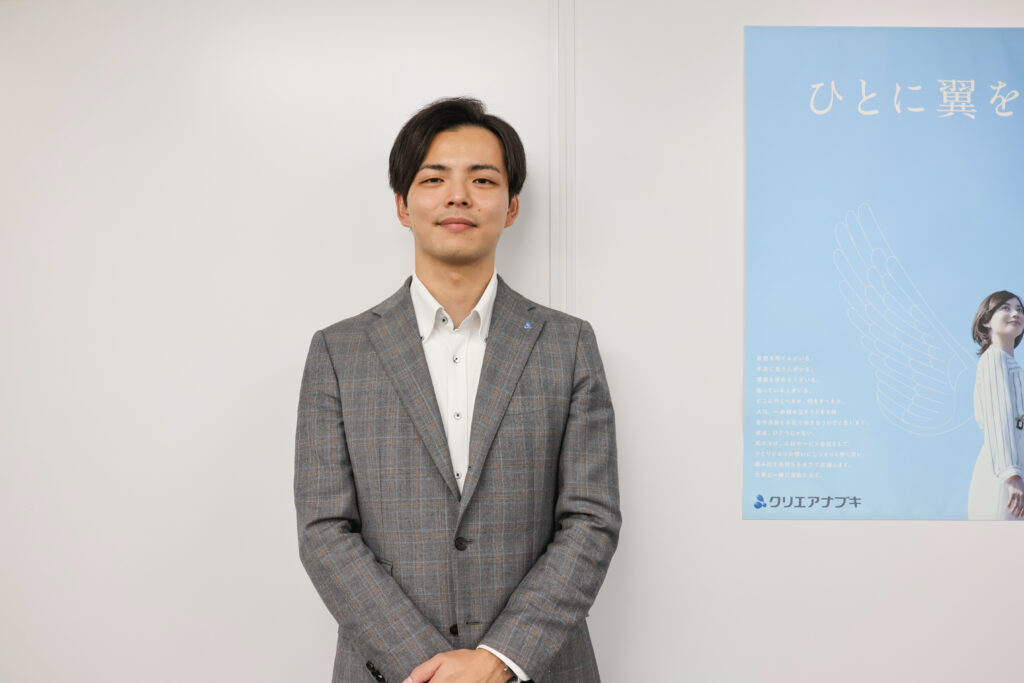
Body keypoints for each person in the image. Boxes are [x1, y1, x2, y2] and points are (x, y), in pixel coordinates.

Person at [294, 97, 621, 683]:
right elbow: (324, 531)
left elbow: (590, 519)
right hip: (388, 670)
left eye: (483, 179)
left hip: (538, 667)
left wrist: (500, 659)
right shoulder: (339, 352)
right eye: (434, 178)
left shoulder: (568, 344)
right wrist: (426, 666)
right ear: (403, 204)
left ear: (512, 206)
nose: (458, 196)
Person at [968, 290, 1024, 520]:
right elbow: (999, 419)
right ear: (986, 321)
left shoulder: (1011, 366)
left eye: (1019, 309)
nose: (1015, 313)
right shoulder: (994, 359)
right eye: (1005, 308)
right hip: (1004, 480)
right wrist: (1011, 475)